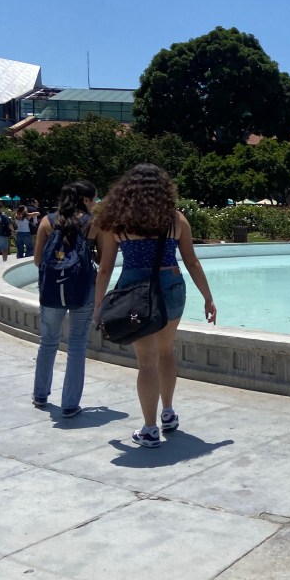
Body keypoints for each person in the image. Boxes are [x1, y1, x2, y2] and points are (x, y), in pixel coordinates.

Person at [94, 163, 217, 448]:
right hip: (171, 287)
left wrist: (99, 304)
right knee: (166, 353)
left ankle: (150, 429)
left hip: (134, 292)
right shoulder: (176, 219)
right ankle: (168, 413)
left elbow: (105, 269)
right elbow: (192, 261)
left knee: (146, 362)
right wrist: (208, 298)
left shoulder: (117, 223)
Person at [32, 180, 99, 418]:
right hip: (82, 291)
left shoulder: (47, 221)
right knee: (77, 344)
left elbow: (38, 260)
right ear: (85, 200)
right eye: (94, 199)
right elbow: (101, 260)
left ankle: (40, 394)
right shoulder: (93, 224)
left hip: (51, 291)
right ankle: (70, 404)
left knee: (48, 341)